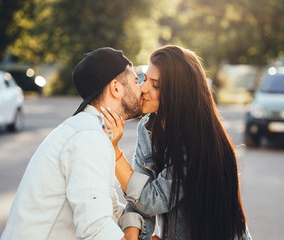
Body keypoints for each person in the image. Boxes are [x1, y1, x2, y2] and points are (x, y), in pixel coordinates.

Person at [100, 45, 252, 240]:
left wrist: (115, 151)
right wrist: (132, 234)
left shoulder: (194, 141)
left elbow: (151, 201)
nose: (143, 88)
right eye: (145, 79)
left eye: (156, 85)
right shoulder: (146, 129)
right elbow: (137, 195)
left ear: (177, 93)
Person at [1, 47, 143, 240]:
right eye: (136, 81)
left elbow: (107, 206)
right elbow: (96, 230)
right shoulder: (88, 138)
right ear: (116, 88)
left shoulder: (89, 131)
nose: (141, 88)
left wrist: (133, 223)